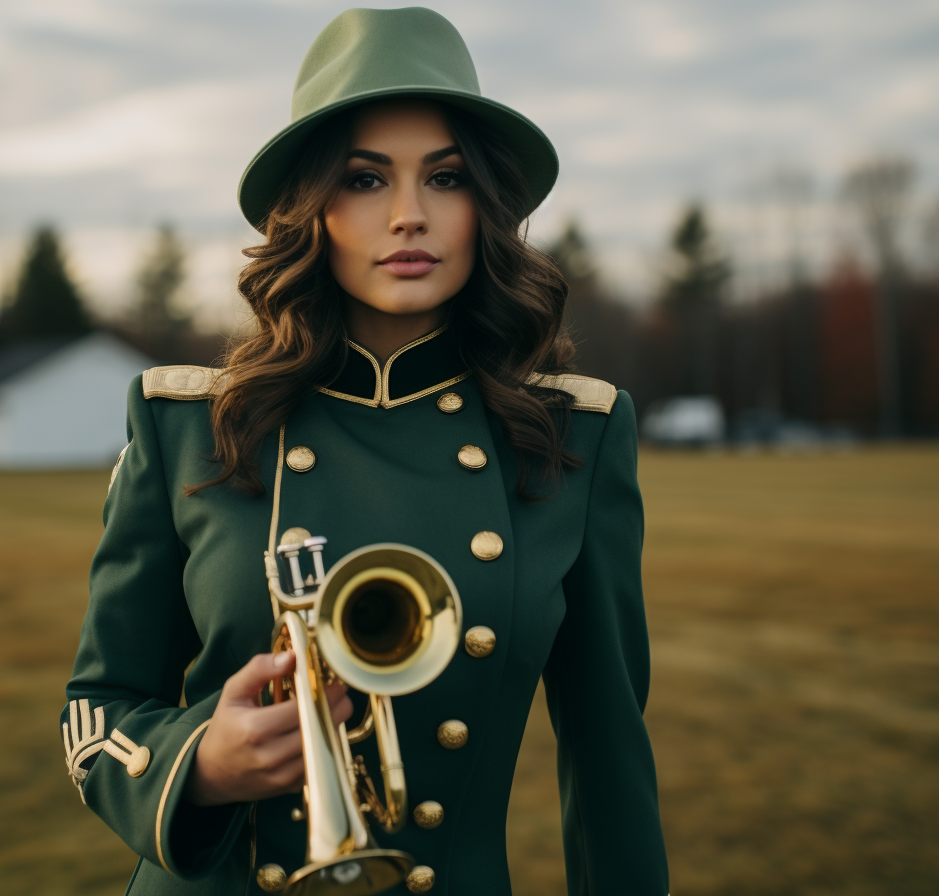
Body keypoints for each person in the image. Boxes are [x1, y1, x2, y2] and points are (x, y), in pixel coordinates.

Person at [61, 7, 669, 895]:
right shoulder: (186, 425)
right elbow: (95, 710)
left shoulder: (573, 438)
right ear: (312, 208)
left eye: (448, 177)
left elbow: (610, 761)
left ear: (487, 206)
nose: (410, 216)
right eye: (365, 179)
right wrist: (199, 763)